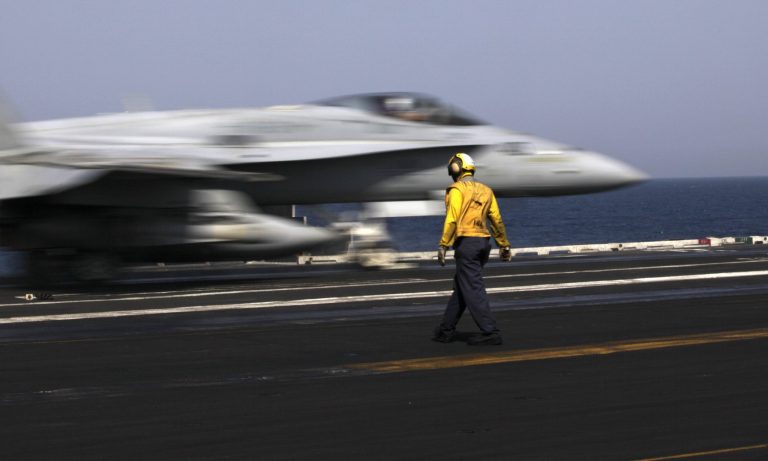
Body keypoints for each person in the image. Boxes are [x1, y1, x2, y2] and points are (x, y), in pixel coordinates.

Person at [433, 152, 512, 345]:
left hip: (466, 243)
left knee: (472, 287)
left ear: (456, 168)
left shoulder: (457, 190)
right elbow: (496, 220)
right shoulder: (486, 190)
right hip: (483, 243)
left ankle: (490, 331)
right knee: (463, 286)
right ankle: (446, 330)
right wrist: (504, 245)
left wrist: (443, 245)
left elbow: (452, 219)